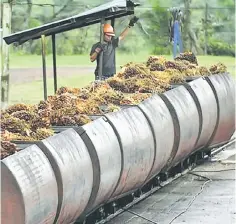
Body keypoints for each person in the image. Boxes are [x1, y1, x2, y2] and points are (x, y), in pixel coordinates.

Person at [90, 16, 139, 80]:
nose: (110, 37)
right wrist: (98, 50)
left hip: (111, 75)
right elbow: (92, 59)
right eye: (108, 35)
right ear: (103, 34)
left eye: (111, 35)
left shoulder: (112, 43)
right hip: (100, 75)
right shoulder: (96, 45)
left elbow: (122, 36)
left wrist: (129, 25)